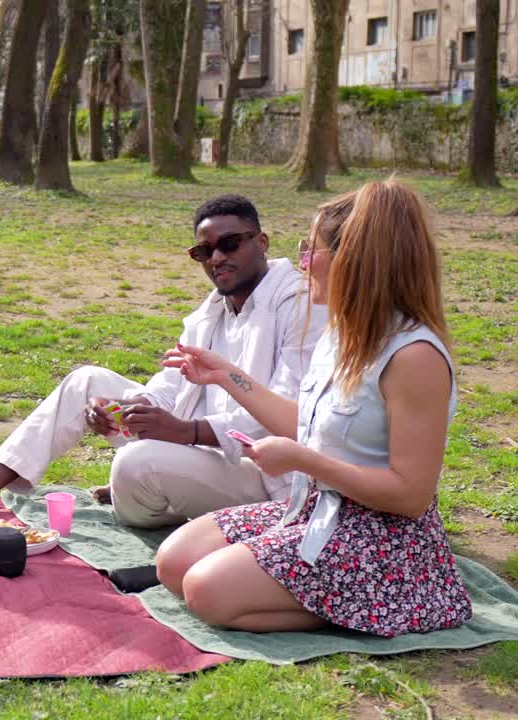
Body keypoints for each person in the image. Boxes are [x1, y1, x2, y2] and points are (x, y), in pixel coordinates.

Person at [155, 180, 472, 636]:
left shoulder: (413, 356)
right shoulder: (341, 333)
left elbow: (410, 496)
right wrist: (225, 374)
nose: (302, 262)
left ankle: (406, 599)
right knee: (173, 562)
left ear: (355, 260)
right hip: (313, 508)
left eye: (312, 249)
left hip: (381, 540)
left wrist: (303, 461)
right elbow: (301, 423)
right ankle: (337, 599)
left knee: (204, 590)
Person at [0, 195, 328, 527]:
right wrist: (125, 409)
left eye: (229, 244)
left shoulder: (301, 305)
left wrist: (188, 432)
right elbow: (167, 389)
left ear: (261, 242)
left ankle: (156, 499)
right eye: (203, 251)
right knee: (88, 382)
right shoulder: (213, 309)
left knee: (135, 465)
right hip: (199, 450)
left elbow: (287, 417)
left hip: (263, 470)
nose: (217, 258)